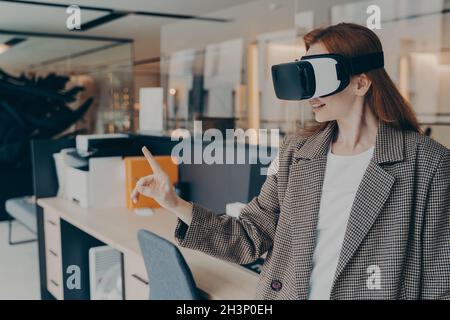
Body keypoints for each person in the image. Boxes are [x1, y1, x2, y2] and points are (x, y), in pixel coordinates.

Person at [131, 23, 449, 300]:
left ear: (361, 83)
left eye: (319, 76)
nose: (310, 93)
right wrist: (173, 202)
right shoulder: (297, 151)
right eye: (304, 75)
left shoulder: (428, 164)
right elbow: (249, 236)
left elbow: (440, 282)